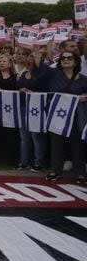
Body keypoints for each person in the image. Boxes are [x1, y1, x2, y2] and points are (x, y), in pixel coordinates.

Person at [33, 47, 87, 183]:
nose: (66, 60)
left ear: (76, 61)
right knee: (56, 143)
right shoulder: (53, 74)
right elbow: (39, 74)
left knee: (77, 144)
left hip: (76, 115)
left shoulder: (83, 79)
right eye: (63, 58)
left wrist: (84, 96)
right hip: (57, 115)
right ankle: (55, 170)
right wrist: (38, 56)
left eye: (70, 58)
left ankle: (80, 172)